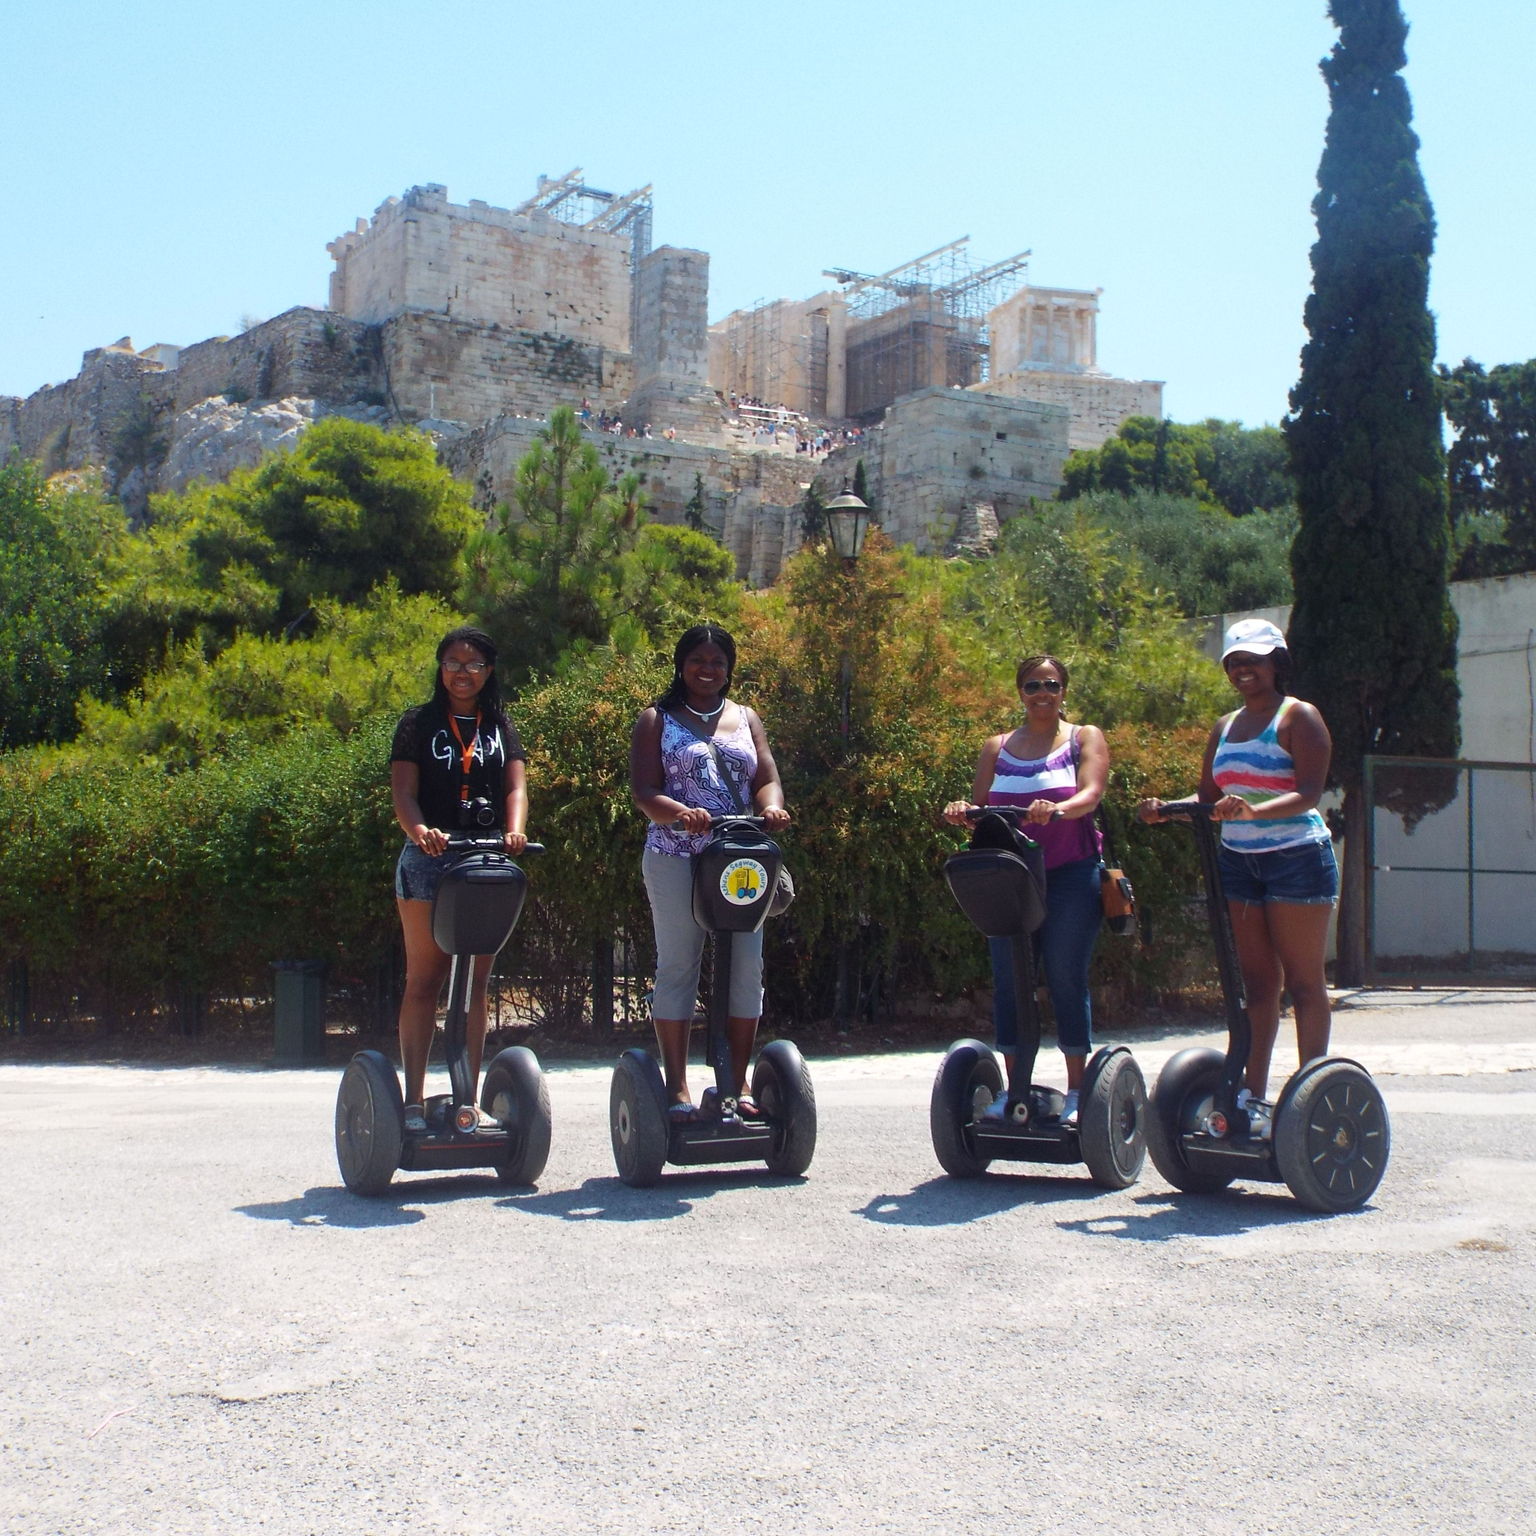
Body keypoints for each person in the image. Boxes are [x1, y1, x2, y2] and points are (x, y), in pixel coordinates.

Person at [1137, 617, 1337, 1138]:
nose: (1244, 669)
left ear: (1277, 663)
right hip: (1239, 862)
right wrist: (1167, 809)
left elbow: (1310, 793)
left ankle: (1310, 1095)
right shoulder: (1224, 727)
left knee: (1303, 980)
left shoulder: (1300, 717)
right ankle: (1250, 1096)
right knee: (1258, 985)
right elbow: (1209, 798)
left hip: (1295, 856)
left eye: (1254, 659)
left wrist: (1253, 812)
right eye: (1235, 661)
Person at [630, 624, 791, 1122]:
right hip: (676, 854)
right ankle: (676, 1087)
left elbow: (766, 778)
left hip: (739, 856)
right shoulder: (657, 719)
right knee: (679, 963)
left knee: (746, 965)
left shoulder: (745, 718)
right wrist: (679, 812)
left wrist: (774, 808)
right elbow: (644, 792)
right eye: (698, 660)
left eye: (718, 662)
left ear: (729, 669)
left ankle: (737, 1081)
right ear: (682, 664)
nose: (708, 669)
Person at [943, 655, 1109, 1126]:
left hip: (1071, 874)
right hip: (1010, 878)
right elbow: (978, 807)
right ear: (1020, 692)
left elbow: (1090, 794)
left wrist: (1056, 810)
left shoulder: (1083, 738)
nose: (1042, 693)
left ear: (1063, 691)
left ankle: (1078, 1092)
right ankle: (1013, 1091)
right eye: (1033, 685)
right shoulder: (997, 746)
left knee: (1064, 977)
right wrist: (960, 810)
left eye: (1051, 685)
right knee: (1010, 982)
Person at [389, 626, 528, 1132]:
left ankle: (467, 1098)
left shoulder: (499, 726)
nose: (461, 673)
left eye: (472, 665)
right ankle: (413, 1100)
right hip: (430, 860)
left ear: (488, 671)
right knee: (425, 980)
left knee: (474, 982)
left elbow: (516, 787)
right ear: (440, 668)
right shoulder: (418, 723)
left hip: (484, 860)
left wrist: (515, 832)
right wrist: (420, 830)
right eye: (451, 662)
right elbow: (404, 792)